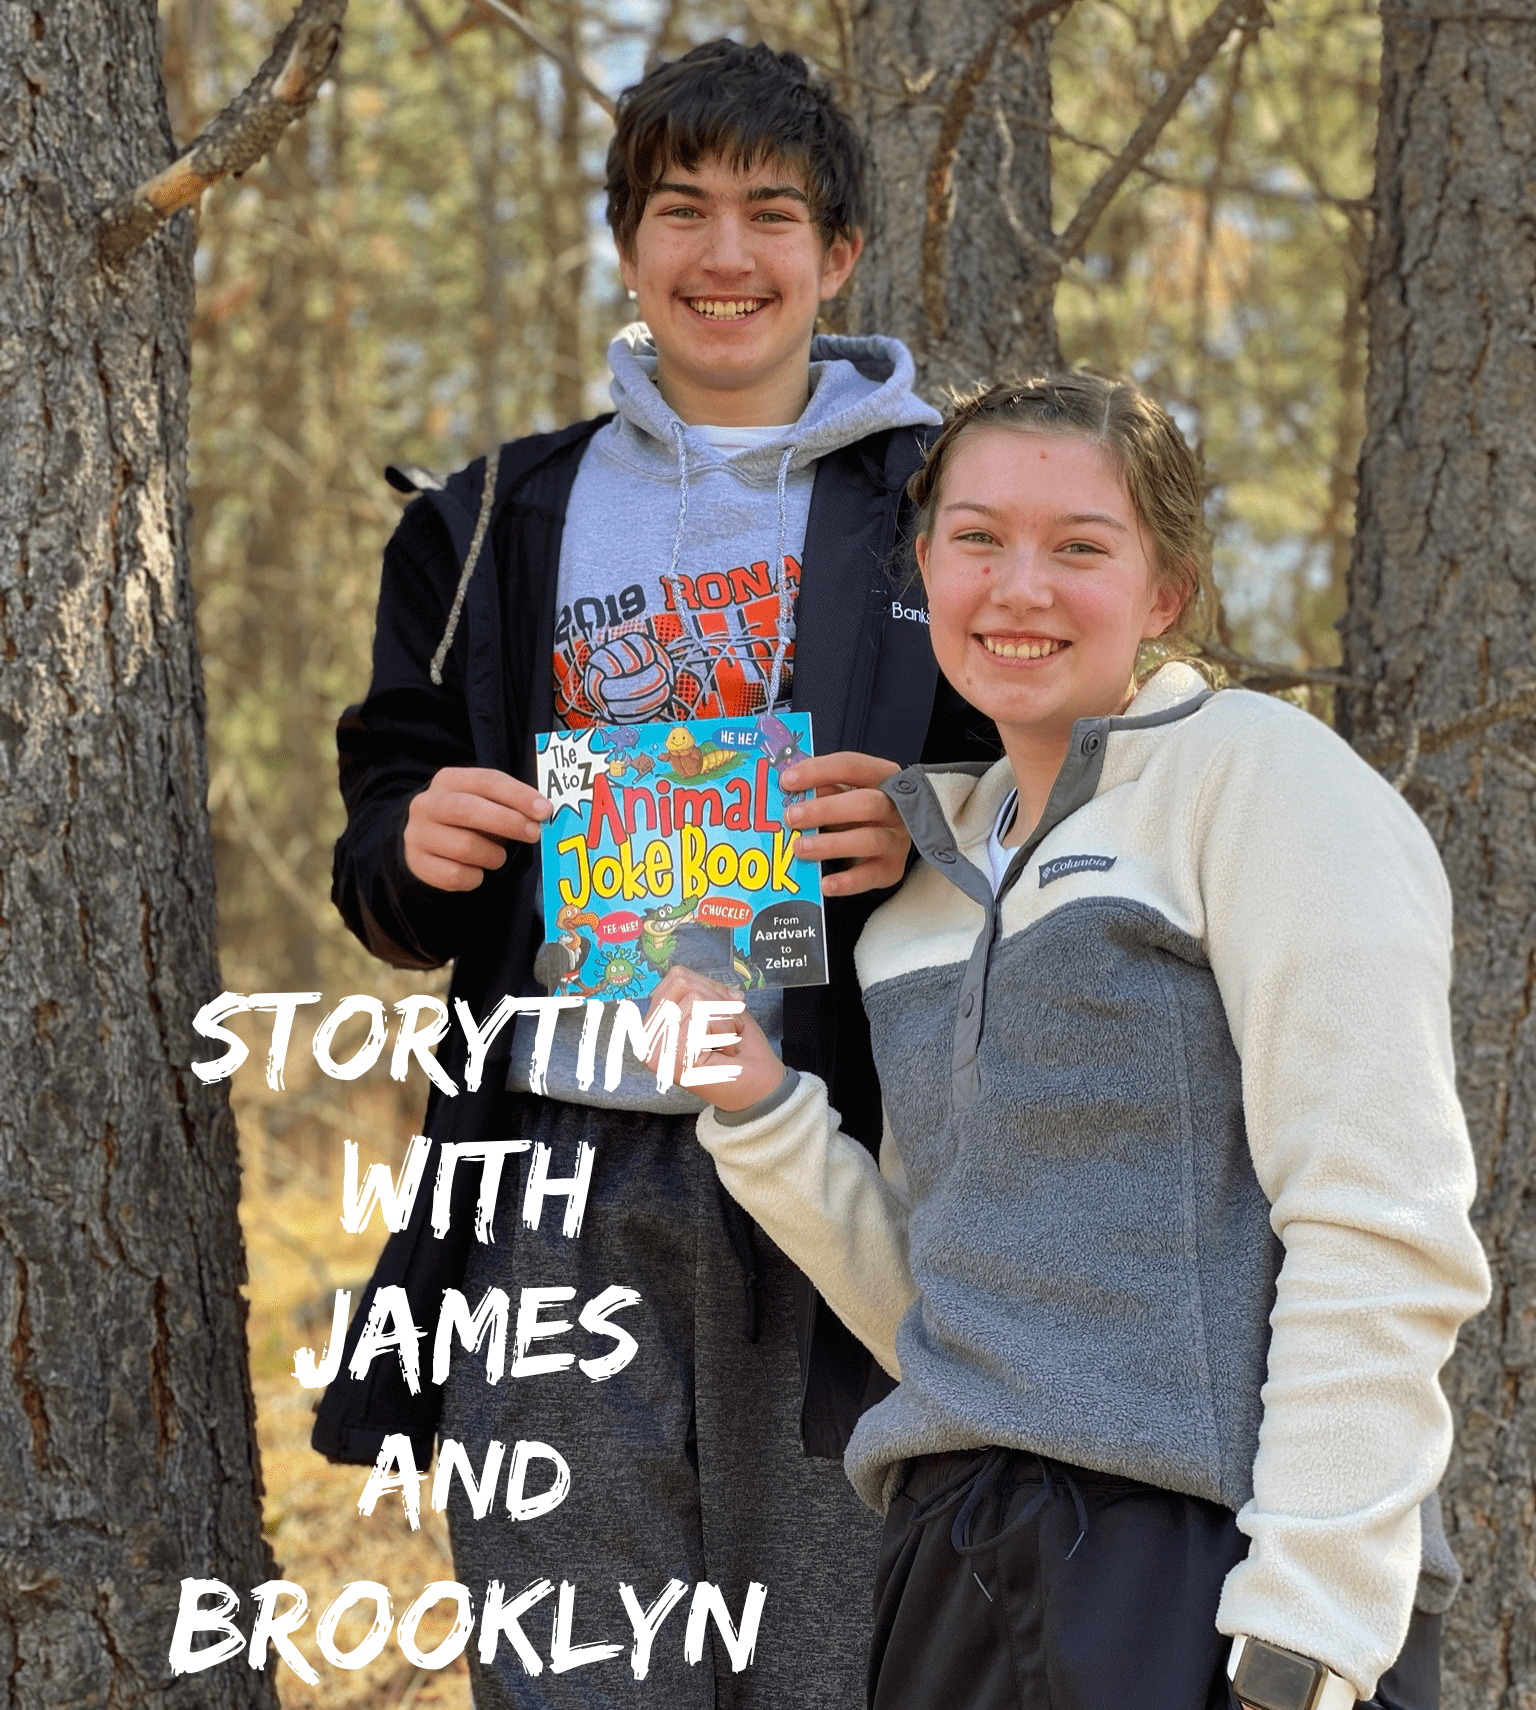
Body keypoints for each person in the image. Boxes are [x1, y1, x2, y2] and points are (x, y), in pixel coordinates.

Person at [314, 38, 997, 1710]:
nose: (724, 255)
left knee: (841, 1671)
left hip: (847, 1171)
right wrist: (415, 849)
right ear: (627, 246)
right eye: (679, 210)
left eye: (772, 214)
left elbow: (1064, 786)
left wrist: (930, 820)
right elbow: (386, 840)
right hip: (549, 1167)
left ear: (836, 258)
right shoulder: (487, 520)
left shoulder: (949, 507)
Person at [648, 373, 1491, 1710]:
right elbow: (949, 1308)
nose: (1020, 587)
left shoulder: (1262, 779)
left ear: (1166, 591)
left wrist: (1312, 1625)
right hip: (952, 1547)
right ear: (926, 568)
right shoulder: (917, 895)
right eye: (978, 539)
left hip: (1202, 1558)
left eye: (1080, 546)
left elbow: (1380, 1218)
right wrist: (760, 1111)